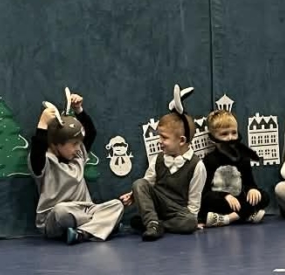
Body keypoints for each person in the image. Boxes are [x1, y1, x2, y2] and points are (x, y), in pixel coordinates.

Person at [29, 88, 130, 244]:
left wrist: (78, 110)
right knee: (61, 211)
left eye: (79, 144)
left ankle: (81, 234)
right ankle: (103, 225)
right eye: (73, 144)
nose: (78, 148)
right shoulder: (45, 162)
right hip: (56, 218)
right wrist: (42, 124)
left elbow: (90, 133)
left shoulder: (77, 156)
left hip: (86, 209)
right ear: (56, 144)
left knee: (117, 205)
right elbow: (37, 152)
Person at [130, 84, 205, 241]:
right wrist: (134, 194)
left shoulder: (196, 166)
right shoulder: (158, 159)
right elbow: (147, 183)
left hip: (177, 211)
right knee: (139, 184)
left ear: (181, 140)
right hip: (159, 203)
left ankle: (156, 224)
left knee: (190, 221)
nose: (159, 141)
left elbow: (194, 202)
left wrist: (190, 221)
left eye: (164, 137)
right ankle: (152, 221)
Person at [198, 108, 270, 227]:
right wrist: (225, 196)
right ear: (212, 138)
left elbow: (249, 183)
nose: (230, 138)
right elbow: (205, 193)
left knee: (264, 197)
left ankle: (227, 219)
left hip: (239, 201)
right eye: (224, 134)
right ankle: (246, 215)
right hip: (221, 203)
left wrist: (252, 189)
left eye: (234, 133)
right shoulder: (209, 161)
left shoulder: (243, 158)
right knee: (207, 202)